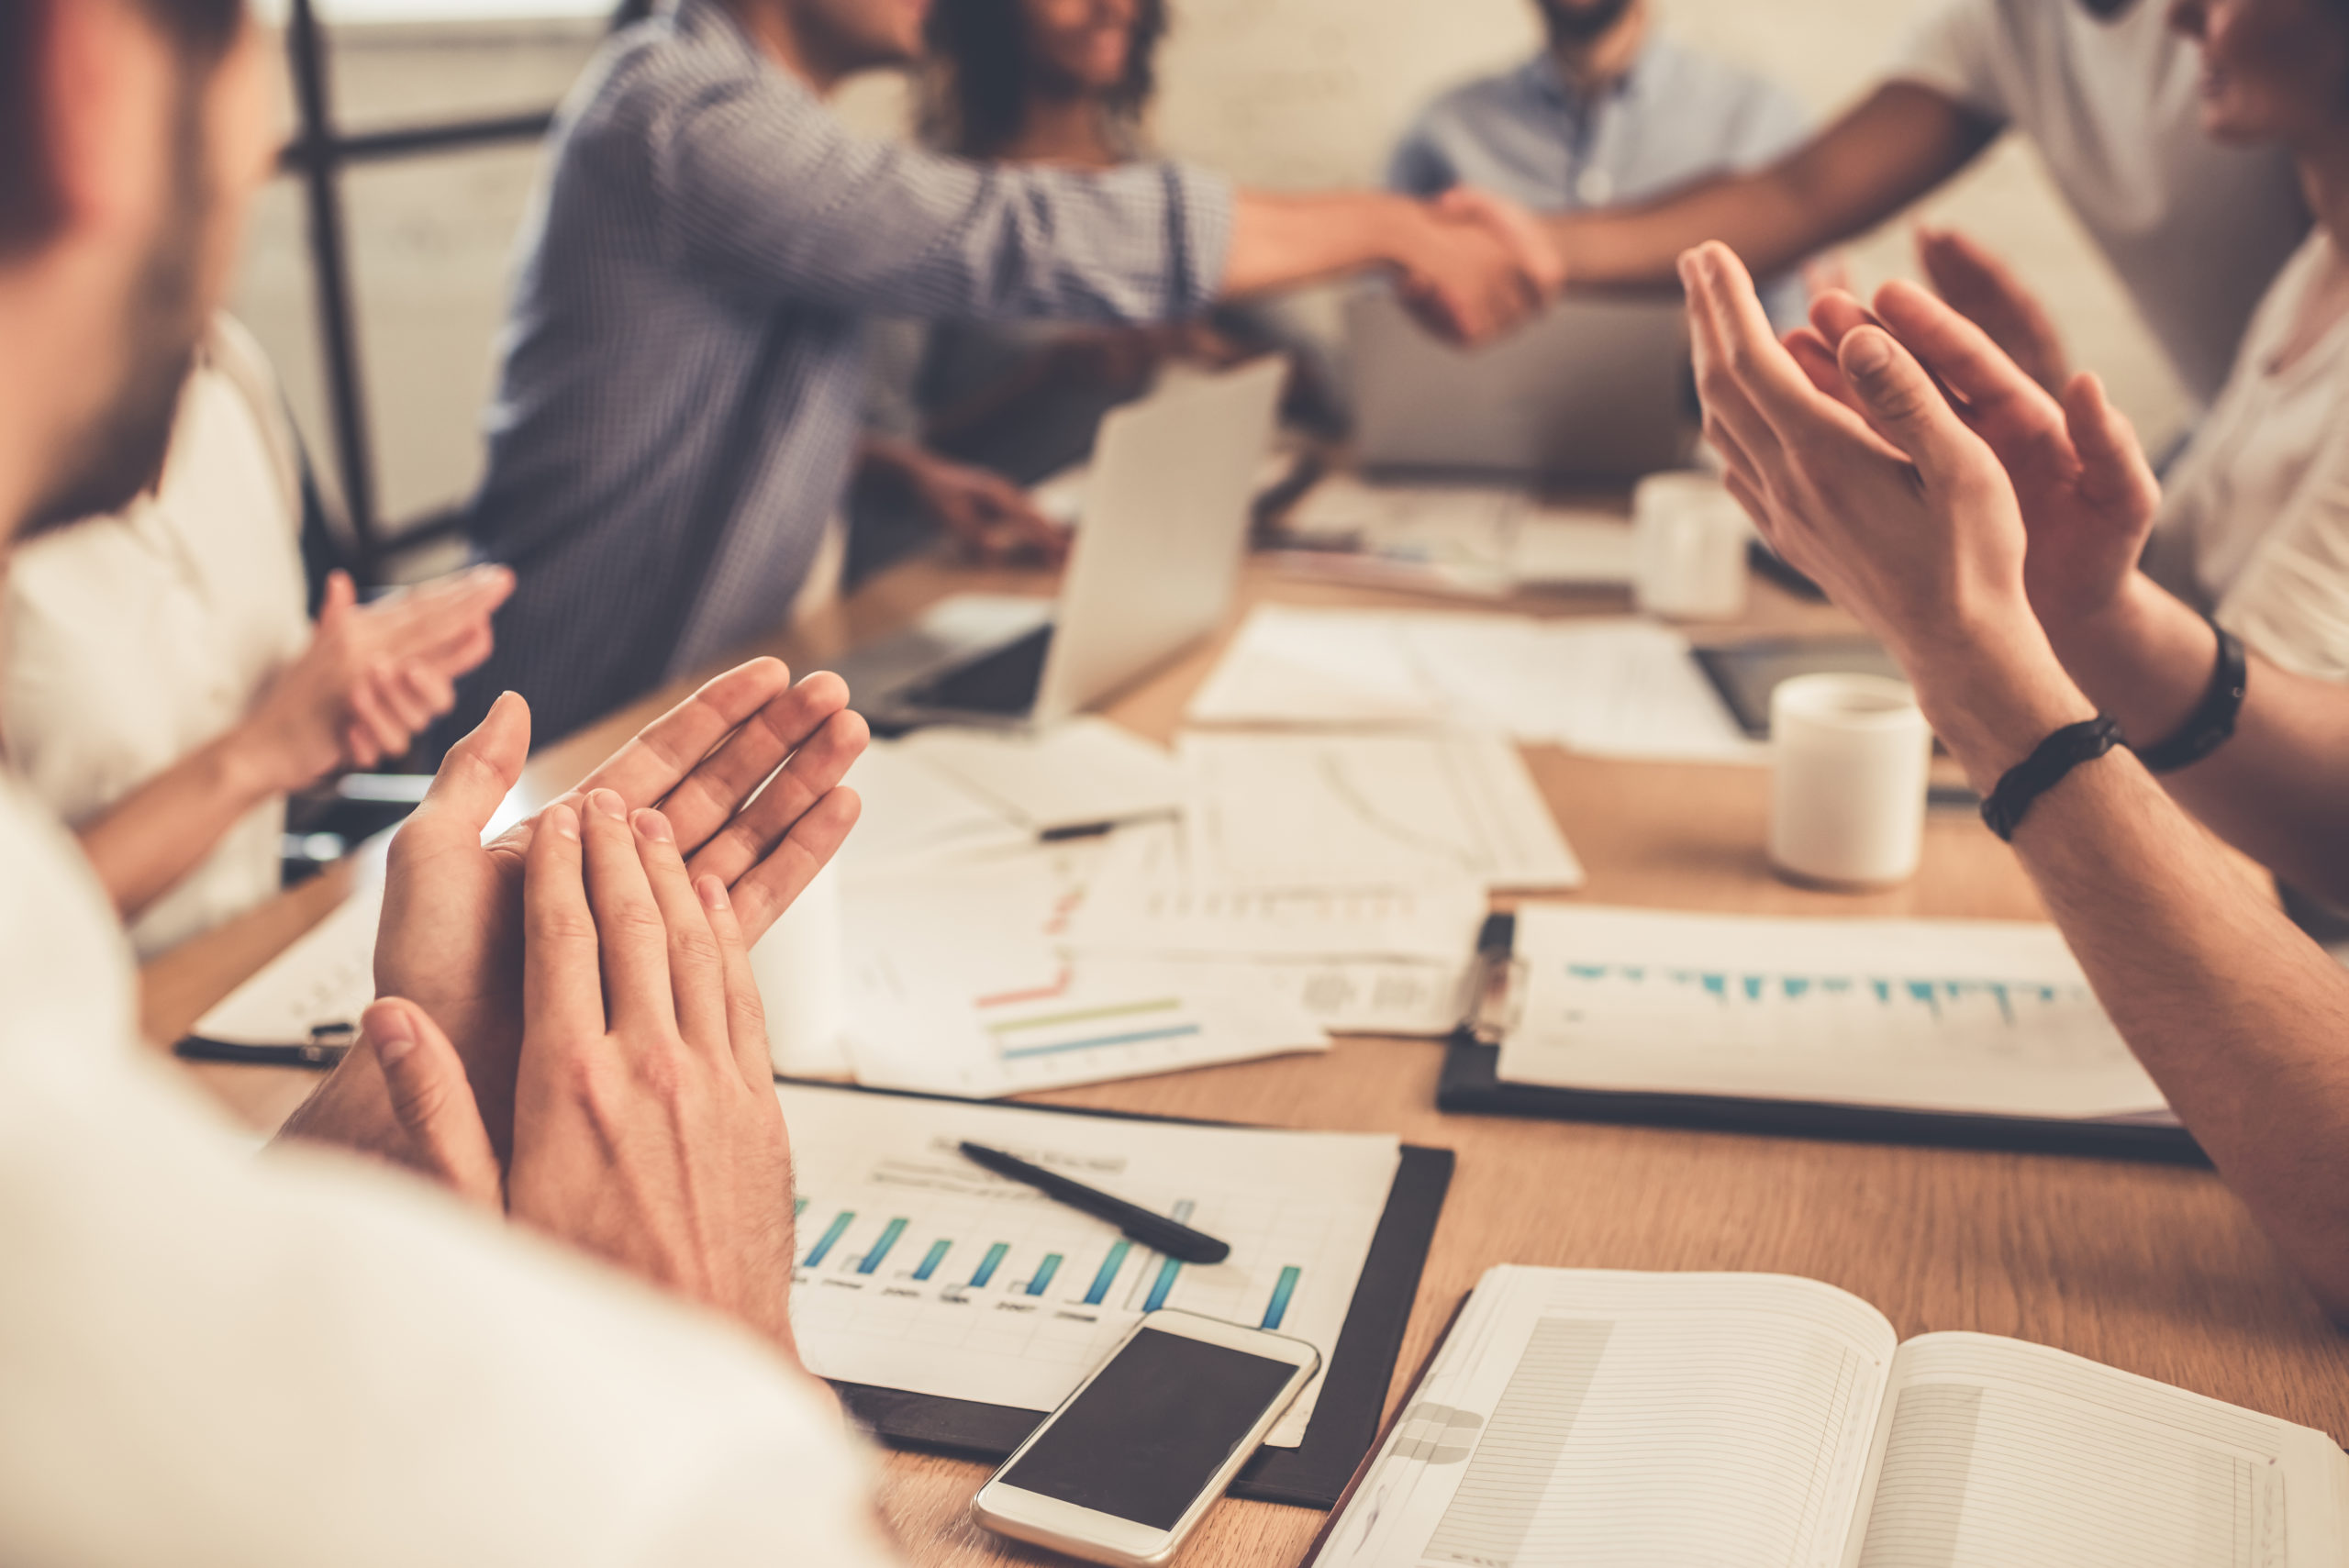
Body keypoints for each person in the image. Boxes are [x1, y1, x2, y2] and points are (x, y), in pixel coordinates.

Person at [0, 0, 907, 1557]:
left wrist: (392, 1104)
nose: (270, 140)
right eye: (243, 48)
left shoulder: (228, 386)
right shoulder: (535, 1469)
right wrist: (723, 1340)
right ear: (94, 68)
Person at [449, 0, 1564, 750]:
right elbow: (997, 234)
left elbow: (690, 408)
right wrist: (1390, 226)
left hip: (709, 706)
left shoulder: (745, 111)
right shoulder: (681, 109)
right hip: (580, 735)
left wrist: (894, 470)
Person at [1681, 223, 2349, 1316]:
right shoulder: (2310, 268)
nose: (2169, 38)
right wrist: (2085, 618)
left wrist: (1978, 669)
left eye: (2192, 26)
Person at [3, 314, 513, 954]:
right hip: (76, 1024)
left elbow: (284, 793)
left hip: (257, 965)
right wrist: (260, 752)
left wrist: (335, 724)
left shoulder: (223, 366)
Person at [1548, 0, 2309, 414]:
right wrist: (1533, 248)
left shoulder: (2251, 31)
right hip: (2239, 425)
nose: (2185, 21)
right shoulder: (2003, 26)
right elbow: (1797, 193)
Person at [1387, 0, 1816, 328]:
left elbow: (1789, 337)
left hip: (1706, 442)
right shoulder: (1443, 130)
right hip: (1472, 439)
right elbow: (1380, 338)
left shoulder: (1756, 118)